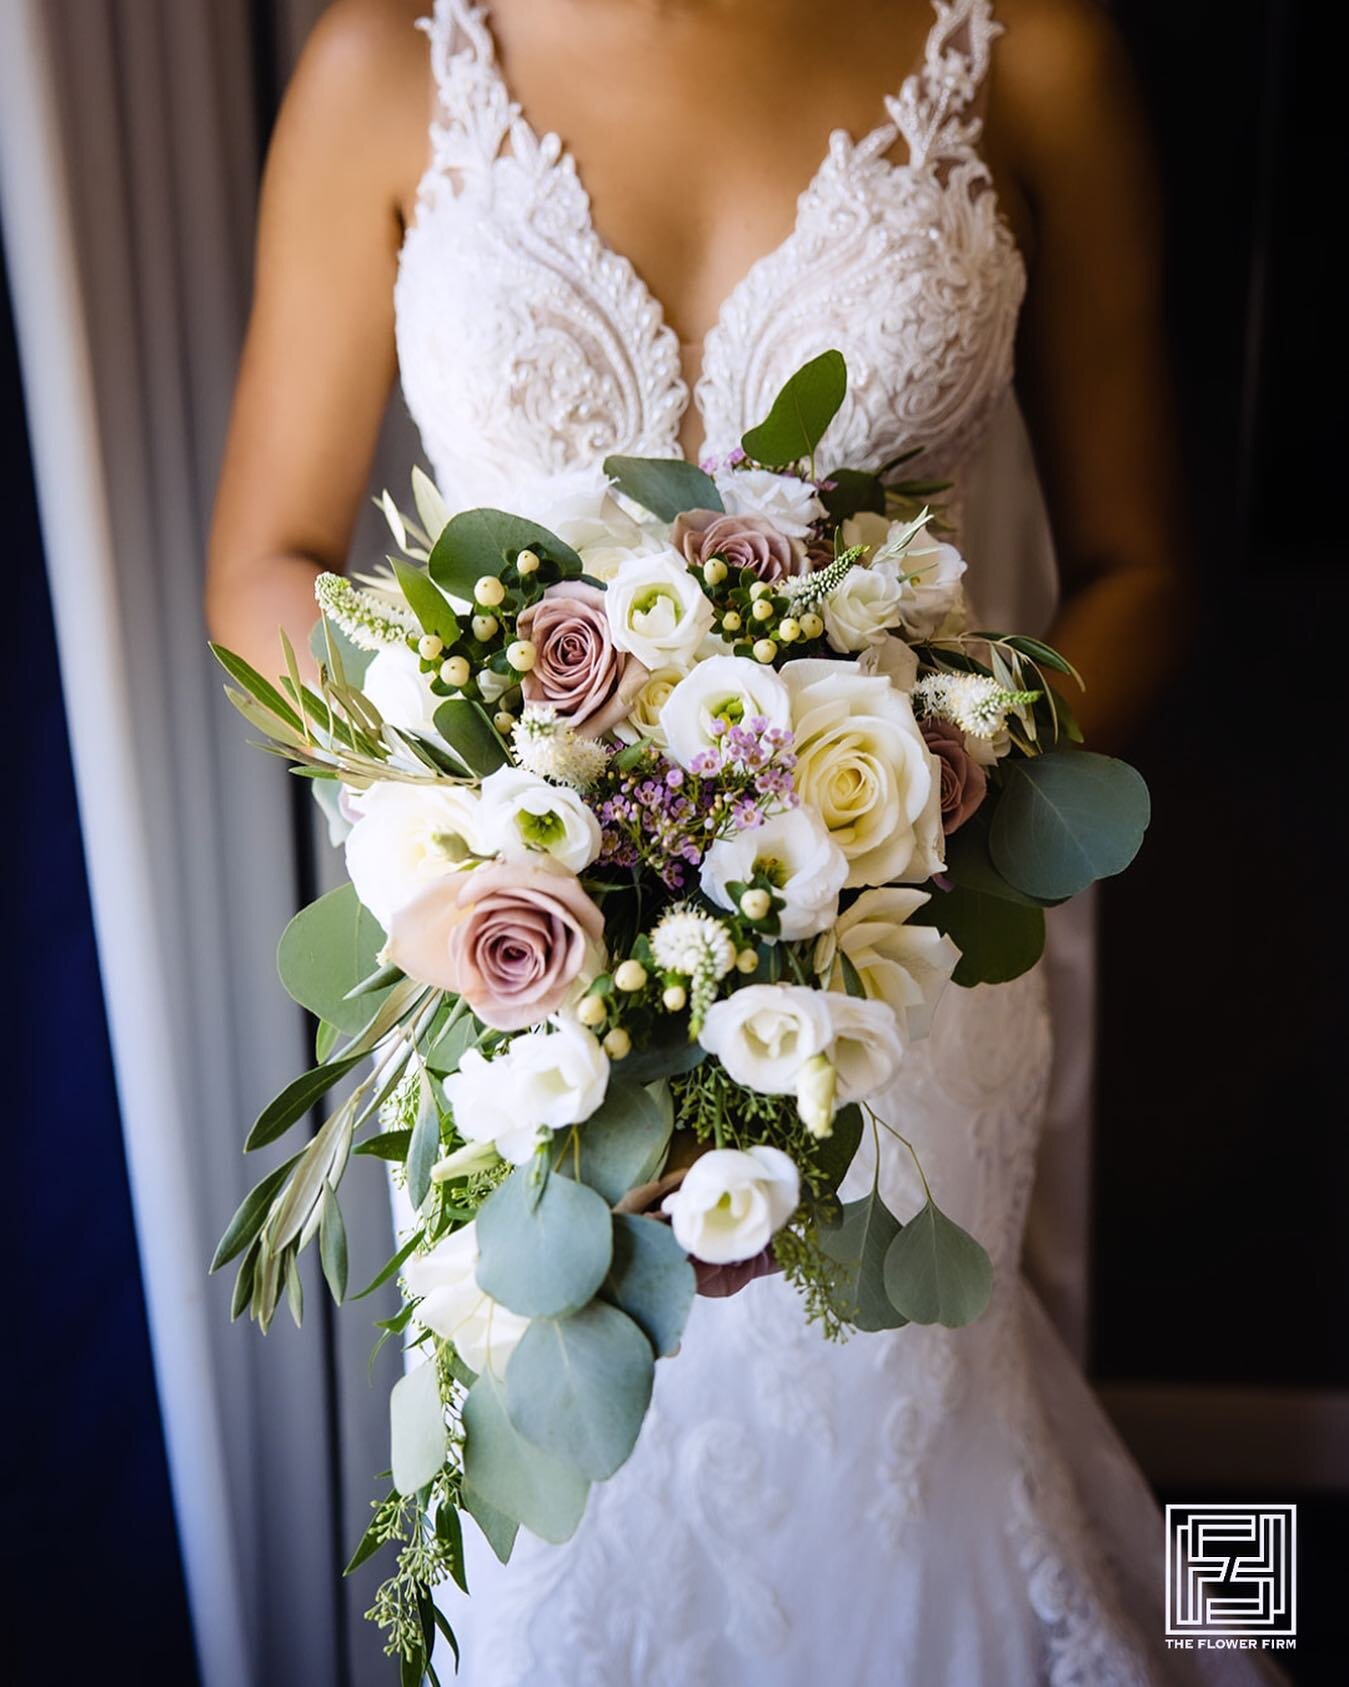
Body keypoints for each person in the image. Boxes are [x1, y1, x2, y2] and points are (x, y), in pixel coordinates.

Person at [207, 3, 1269, 1681]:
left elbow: (1145, 566)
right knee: (574, 1509)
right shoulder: (391, 64)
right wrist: (467, 825)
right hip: (524, 961)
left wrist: (940, 779)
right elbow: (265, 558)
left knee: (909, 1447)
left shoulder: (1027, 46)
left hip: (897, 944)